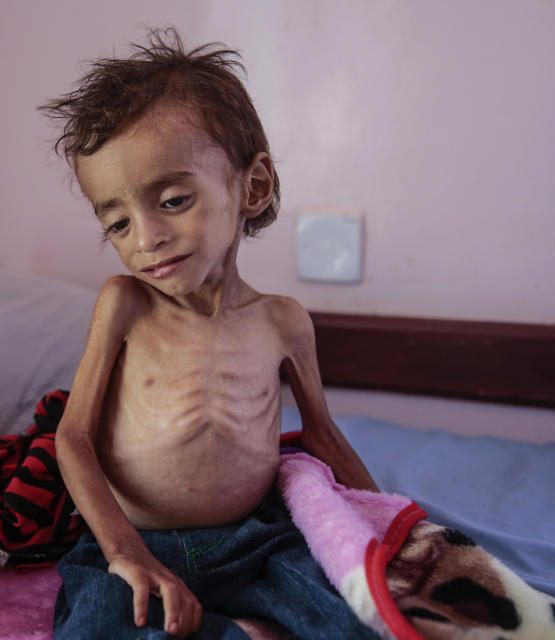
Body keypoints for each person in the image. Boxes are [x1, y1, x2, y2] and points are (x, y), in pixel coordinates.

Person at [39, 29, 379, 639]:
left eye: (171, 199)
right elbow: (74, 437)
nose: (145, 239)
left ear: (253, 187)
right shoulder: (124, 304)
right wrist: (123, 553)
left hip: (256, 542)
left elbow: (323, 436)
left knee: (358, 619)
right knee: (95, 628)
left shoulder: (283, 321)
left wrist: (392, 528)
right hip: (138, 543)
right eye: (116, 223)